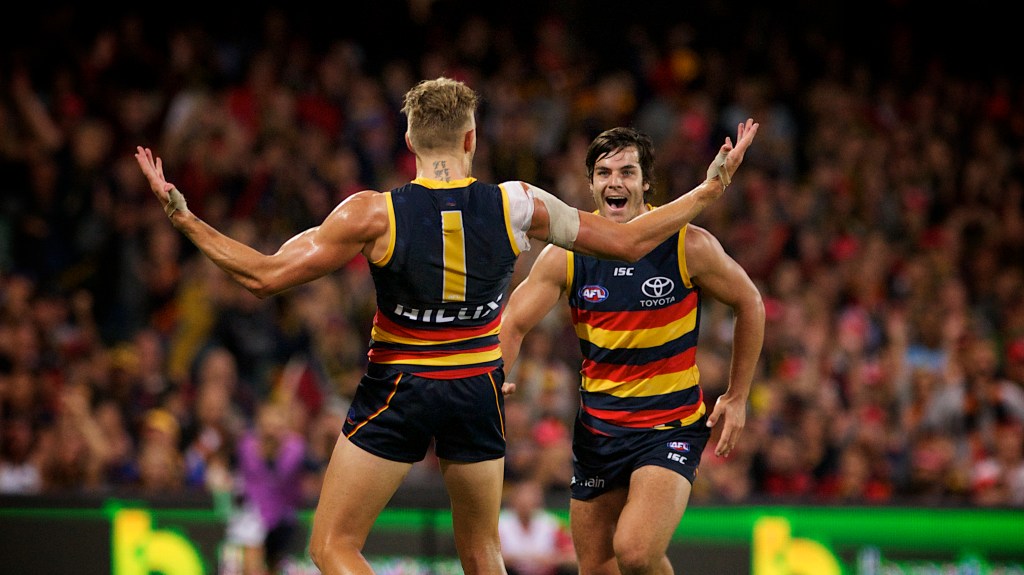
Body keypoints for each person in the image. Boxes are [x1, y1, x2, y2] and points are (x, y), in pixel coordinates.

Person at [135, 76, 758, 575]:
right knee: (483, 556)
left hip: (400, 388)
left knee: (332, 546)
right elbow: (624, 243)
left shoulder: (371, 215)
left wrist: (185, 218)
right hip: (476, 390)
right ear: (471, 140)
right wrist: (707, 190)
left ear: (409, 141)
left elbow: (264, 276)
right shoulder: (519, 204)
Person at [499, 127, 765, 574]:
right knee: (597, 566)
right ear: (591, 184)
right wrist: (493, 380)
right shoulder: (568, 252)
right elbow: (514, 322)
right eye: (603, 172)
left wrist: (737, 396)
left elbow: (750, 303)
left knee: (636, 551)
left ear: (646, 183)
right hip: (598, 433)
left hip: (669, 427)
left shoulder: (687, 244)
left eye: (627, 171)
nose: (615, 182)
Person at [498, 478, 576, 575]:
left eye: (531, 499)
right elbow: (490, 555)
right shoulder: (501, 523)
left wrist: (553, 559)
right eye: (523, 500)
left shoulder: (549, 523)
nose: (527, 504)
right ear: (513, 501)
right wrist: (518, 558)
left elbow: (572, 557)